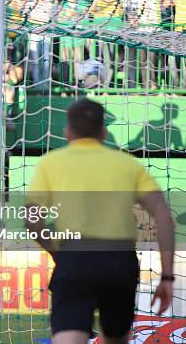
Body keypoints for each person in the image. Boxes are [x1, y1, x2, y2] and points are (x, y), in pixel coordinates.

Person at [25, 99, 175, 344]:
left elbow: (32, 221)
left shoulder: (50, 162)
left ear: (67, 132)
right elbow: (164, 217)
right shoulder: (127, 164)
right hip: (119, 261)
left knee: (68, 339)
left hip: (75, 258)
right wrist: (167, 277)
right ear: (104, 132)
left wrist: (56, 252)